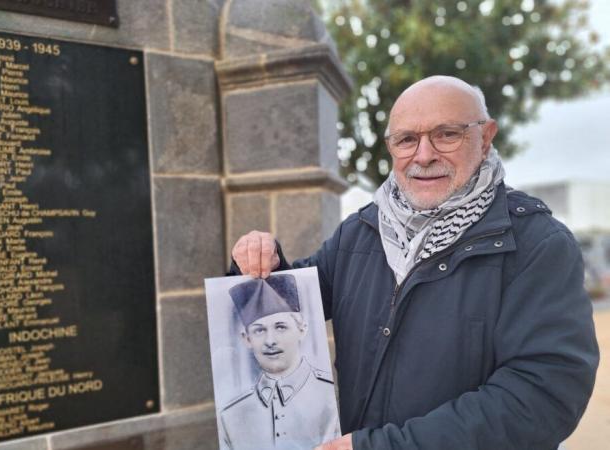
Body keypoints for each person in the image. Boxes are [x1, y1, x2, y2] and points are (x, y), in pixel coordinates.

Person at [230, 76, 599, 450]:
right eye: (407, 140)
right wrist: (259, 262)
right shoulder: (359, 233)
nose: (424, 156)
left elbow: (542, 397)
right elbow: (285, 306)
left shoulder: (538, 245)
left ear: (485, 138)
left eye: (446, 134)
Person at [219, 274, 341, 450]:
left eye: (280, 327)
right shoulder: (230, 416)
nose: (270, 341)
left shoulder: (335, 397)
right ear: (246, 339)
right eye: (259, 330)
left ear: (302, 329)